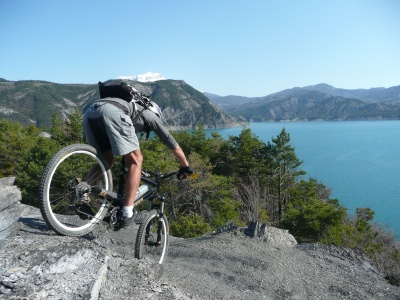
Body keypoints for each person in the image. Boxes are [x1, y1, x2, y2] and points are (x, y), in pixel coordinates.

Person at [83, 80, 193, 228]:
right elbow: (171, 142)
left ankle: (81, 197)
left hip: (90, 113)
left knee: (105, 162)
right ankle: (128, 213)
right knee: (136, 161)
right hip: (113, 113)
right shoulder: (151, 115)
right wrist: (186, 166)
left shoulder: (131, 106)